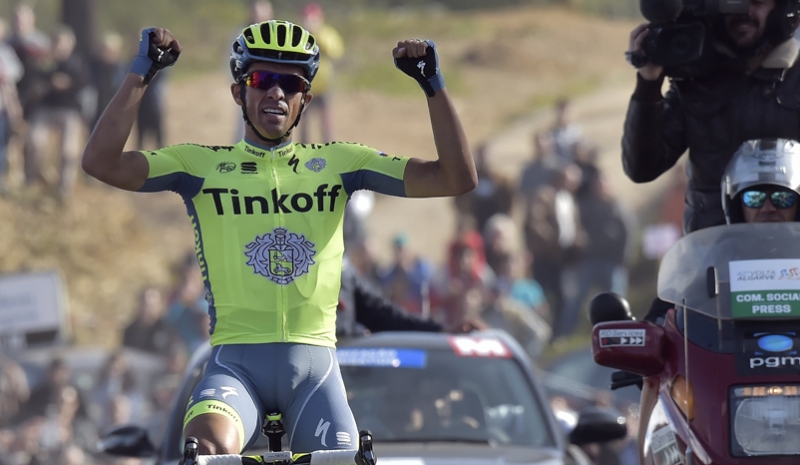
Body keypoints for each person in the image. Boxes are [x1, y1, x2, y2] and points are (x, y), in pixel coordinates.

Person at [81, 21, 476, 456]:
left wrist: (432, 85)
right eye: (262, 80)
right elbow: (101, 162)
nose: (276, 93)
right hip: (235, 369)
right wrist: (143, 71)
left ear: (306, 99)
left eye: (290, 84)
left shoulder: (340, 163)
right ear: (238, 92)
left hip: (315, 374)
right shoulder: (200, 166)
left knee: (342, 459)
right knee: (206, 449)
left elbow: (456, 178)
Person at [623, 0, 800, 234]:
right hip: (713, 249)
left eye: (757, 2)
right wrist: (649, 82)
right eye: (732, 2)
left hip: (792, 249)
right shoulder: (698, 79)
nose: (743, 11)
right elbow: (642, 167)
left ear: (783, 10)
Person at [297, 2, 344, 143]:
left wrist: (316, 35)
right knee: (303, 121)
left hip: (324, 86)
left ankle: (328, 145)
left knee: (326, 121)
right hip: (305, 86)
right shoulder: (299, 37)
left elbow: (336, 51)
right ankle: (304, 146)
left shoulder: (327, 33)